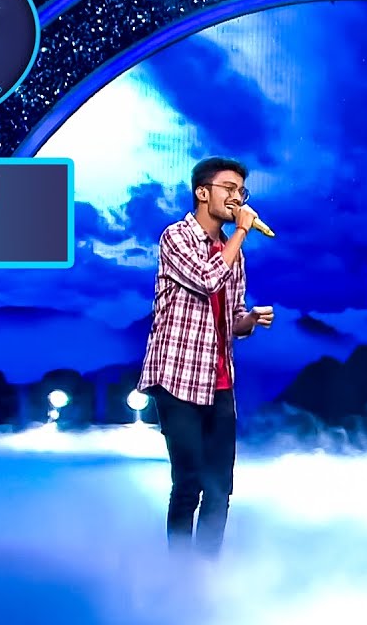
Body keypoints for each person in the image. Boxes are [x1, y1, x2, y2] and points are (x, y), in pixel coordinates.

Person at [137, 156, 275, 559]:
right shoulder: (176, 236)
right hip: (177, 378)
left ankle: (206, 574)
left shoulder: (233, 253)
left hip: (219, 380)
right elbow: (206, 278)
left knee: (220, 488)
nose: (237, 199)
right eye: (228, 189)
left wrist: (250, 319)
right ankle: (179, 575)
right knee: (189, 483)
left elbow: (233, 320)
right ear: (202, 192)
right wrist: (242, 232)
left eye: (241, 192)